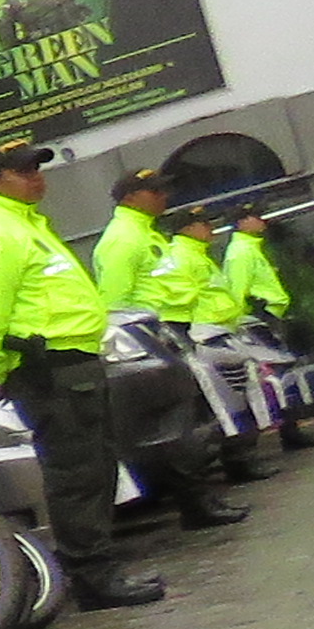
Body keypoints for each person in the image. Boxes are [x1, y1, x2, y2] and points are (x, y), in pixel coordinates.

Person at [0, 144, 161, 609]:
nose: (36, 177)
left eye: (38, 168)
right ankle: (92, 576)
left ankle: (97, 564)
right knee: (77, 476)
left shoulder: (26, 226)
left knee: (94, 471)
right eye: (22, 171)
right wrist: (1, 372)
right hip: (49, 371)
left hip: (74, 366)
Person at [90, 166, 251, 529]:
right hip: (149, 337)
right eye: (155, 191)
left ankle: (201, 501)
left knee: (190, 424)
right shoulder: (123, 239)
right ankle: (196, 506)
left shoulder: (146, 234)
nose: (164, 197)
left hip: (170, 331)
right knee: (178, 428)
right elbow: (114, 302)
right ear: (131, 197)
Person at [220, 211, 314, 448]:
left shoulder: (250, 248)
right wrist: (247, 320)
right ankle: (288, 432)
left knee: (283, 375)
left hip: (266, 317)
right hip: (257, 319)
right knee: (276, 377)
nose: (261, 221)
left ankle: (291, 429)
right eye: (254, 217)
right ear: (241, 223)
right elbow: (237, 292)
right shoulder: (240, 253)